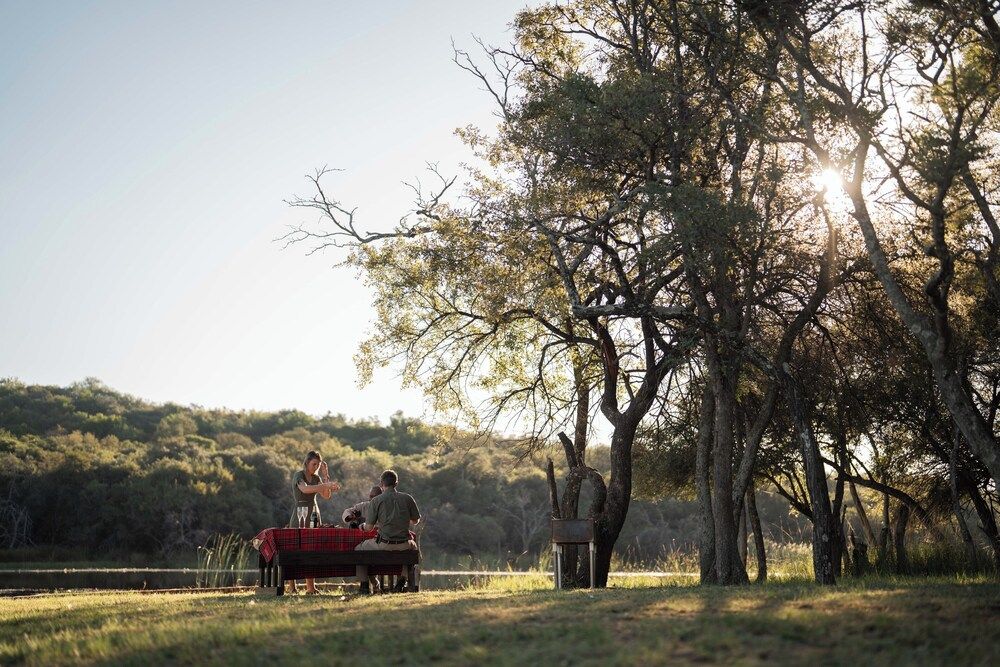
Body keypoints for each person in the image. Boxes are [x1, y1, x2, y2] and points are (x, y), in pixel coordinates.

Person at [356, 469, 420, 591]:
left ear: (382, 484)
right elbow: (415, 521)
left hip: (383, 544)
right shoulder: (408, 498)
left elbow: (369, 528)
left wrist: (361, 526)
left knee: (359, 549)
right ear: (396, 483)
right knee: (413, 548)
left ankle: (364, 585)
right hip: (404, 545)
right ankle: (402, 580)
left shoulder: (376, 500)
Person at [287, 450, 340, 594]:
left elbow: (327, 496)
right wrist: (326, 486)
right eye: (313, 464)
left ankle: (311, 587)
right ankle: (292, 586)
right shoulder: (299, 475)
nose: (315, 467)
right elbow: (305, 489)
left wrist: (325, 477)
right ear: (307, 462)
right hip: (300, 514)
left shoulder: (317, 478)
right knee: (295, 550)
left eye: (318, 465)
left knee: (311, 551)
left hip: (314, 515)